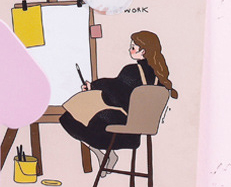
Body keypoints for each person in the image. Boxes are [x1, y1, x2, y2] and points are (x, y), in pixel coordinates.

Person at [60, 31, 177, 171]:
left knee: (68, 118)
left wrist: (93, 87)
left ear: (143, 51)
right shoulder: (160, 77)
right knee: (95, 115)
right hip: (139, 131)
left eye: (133, 47)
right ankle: (105, 155)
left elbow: (114, 95)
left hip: (123, 127)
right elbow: (118, 90)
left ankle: (103, 154)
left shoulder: (131, 71)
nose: (129, 49)